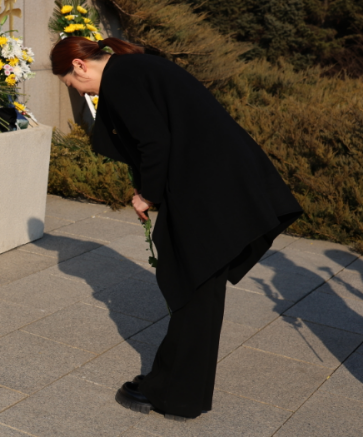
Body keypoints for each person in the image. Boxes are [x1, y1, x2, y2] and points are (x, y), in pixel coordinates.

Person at [51, 35, 301, 420]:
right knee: (200, 285)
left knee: (193, 284)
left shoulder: (122, 77)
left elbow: (154, 142)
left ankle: (173, 394)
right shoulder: (134, 68)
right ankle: (183, 393)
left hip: (206, 188)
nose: (80, 91)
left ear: (80, 66)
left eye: (73, 84)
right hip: (215, 182)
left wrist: (146, 196)